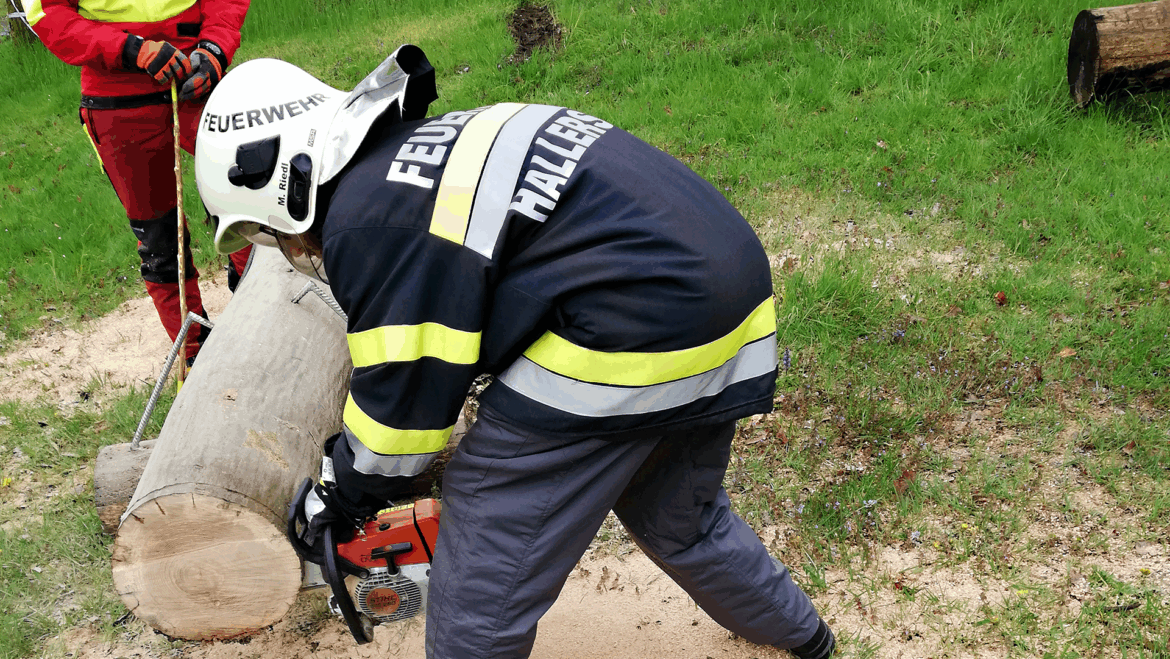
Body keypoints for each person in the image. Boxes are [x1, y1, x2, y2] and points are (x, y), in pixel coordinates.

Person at [194, 45, 836, 659]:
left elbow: (401, 423)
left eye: (265, 228)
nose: (285, 245)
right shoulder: (412, 159)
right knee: (677, 514)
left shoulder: (368, 223)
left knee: (490, 508)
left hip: (639, 322)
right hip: (725, 291)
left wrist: (340, 493)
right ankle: (805, 637)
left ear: (286, 181)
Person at [26, 0, 253, 364]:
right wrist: (132, 49)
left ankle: (259, 311)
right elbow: (49, 16)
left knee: (248, 198)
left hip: (197, 77)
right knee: (159, 237)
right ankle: (196, 354)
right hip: (117, 97)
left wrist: (215, 47)